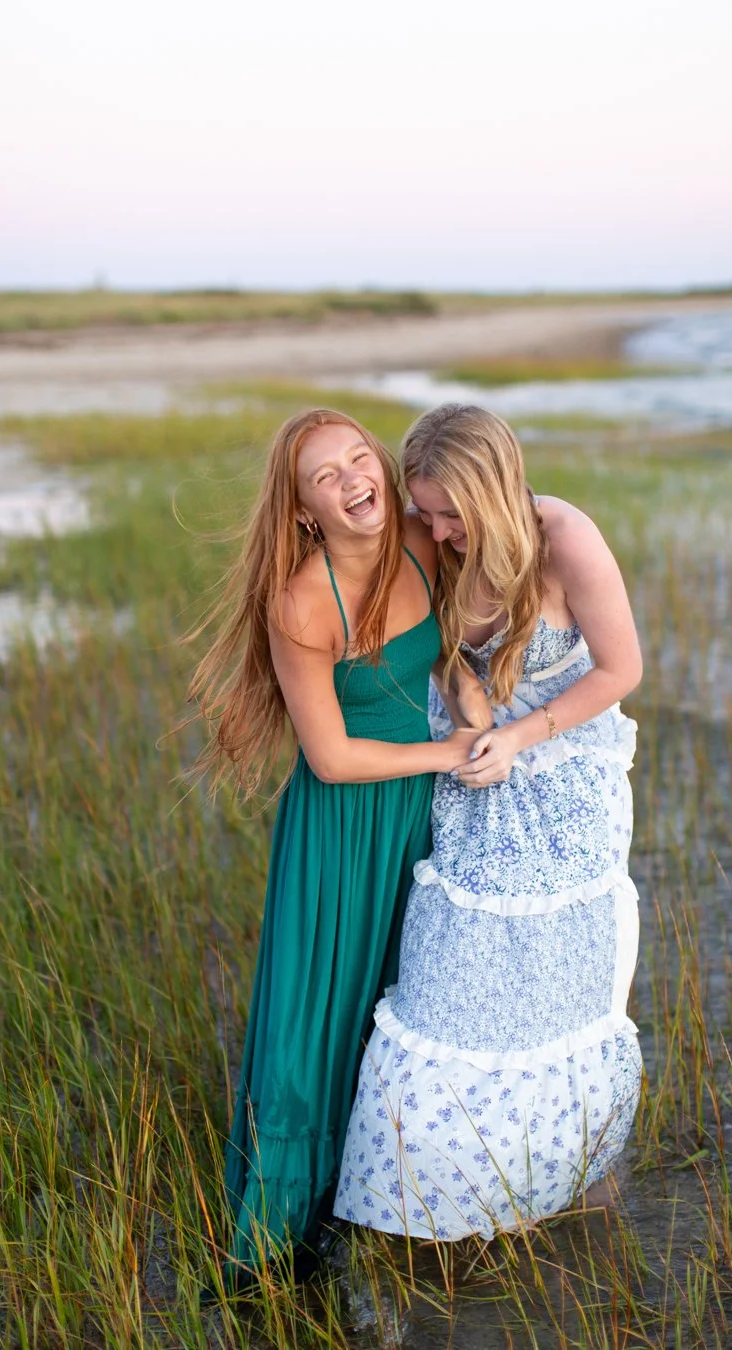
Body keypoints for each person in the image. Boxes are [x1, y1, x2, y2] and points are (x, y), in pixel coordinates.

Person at [185, 408, 481, 1280]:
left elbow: (445, 654)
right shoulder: (301, 602)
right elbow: (331, 756)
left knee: (405, 1001)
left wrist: (473, 705)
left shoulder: (423, 542)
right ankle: (278, 1243)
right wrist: (451, 753)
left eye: (360, 459)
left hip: (417, 810)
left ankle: (384, 1200)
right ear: (304, 510)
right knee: (319, 1017)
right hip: (343, 829)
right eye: (327, 475)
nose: (355, 480)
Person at [335, 403, 644, 1240]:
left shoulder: (564, 538)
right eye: (425, 510)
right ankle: (437, 1197)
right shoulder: (426, 538)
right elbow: (433, 644)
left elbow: (621, 668)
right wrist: (470, 703)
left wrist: (518, 736)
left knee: (555, 984)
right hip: (467, 760)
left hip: (564, 771)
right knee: (448, 982)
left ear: (496, 489)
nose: (437, 531)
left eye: (452, 514)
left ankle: (562, 1177)